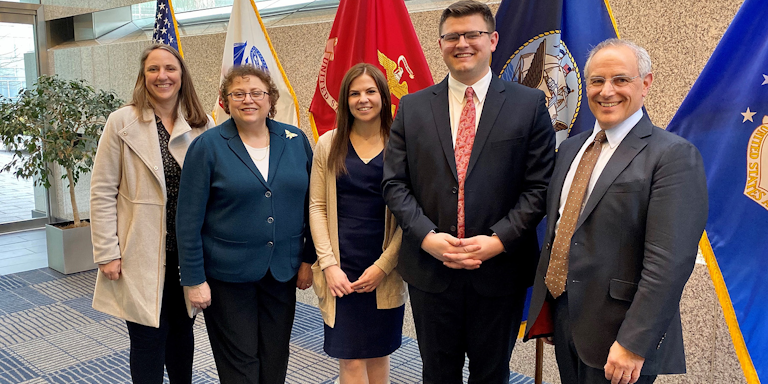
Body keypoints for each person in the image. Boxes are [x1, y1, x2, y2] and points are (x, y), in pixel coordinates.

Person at [381, 1, 556, 382]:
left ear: (492, 40)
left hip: (499, 269)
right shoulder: (411, 108)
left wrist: (498, 240)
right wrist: (427, 237)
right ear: (441, 44)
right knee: (437, 373)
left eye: (472, 34)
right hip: (431, 269)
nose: (463, 43)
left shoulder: (529, 105)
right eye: (452, 36)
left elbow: (540, 187)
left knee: (491, 374)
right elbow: (394, 183)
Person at [524, 39, 708, 384]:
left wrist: (633, 343)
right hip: (566, 320)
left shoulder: (672, 156)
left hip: (621, 336)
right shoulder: (571, 149)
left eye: (621, 80)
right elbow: (563, 230)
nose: (607, 91)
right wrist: (551, 309)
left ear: (646, 84)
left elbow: (669, 263)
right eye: (596, 80)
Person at [175, 64, 314, 384]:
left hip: (282, 272)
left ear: (270, 99)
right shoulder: (207, 146)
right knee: (240, 365)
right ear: (225, 101)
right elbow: (188, 219)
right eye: (238, 93)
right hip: (227, 277)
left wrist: (309, 259)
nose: (247, 99)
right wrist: (193, 279)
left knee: (275, 357)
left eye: (256, 93)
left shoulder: (295, 140)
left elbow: (311, 204)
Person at [90, 43, 215, 384]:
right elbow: (102, 190)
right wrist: (107, 252)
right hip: (140, 251)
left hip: (187, 253)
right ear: (143, 77)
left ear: (181, 75)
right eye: (153, 69)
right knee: (147, 337)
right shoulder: (122, 121)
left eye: (170, 69)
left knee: (182, 334)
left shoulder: (202, 124)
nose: (163, 76)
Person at [310, 63, 407, 384]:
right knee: (350, 360)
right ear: (344, 99)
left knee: (379, 355)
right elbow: (317, 206)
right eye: (354, 93)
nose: (363, 99)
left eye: (370, 91)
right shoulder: (328, 143)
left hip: (385, 271)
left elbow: (411, 215)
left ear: (384, 96)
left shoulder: (402, 144)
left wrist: (384, 266)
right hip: (341, 270)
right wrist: (328, 265)